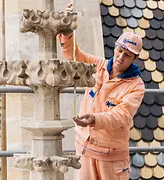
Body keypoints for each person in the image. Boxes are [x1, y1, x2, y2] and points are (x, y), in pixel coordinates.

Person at [59, 4, 145, 180]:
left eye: (127, 55)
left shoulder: (136, 86)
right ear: (115, 48)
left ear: (135, 59)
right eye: (120, 50)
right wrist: (67, 31)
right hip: (85, 149)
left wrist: (95, 119)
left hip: (111, 157)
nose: (121, 57)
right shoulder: (99, 65)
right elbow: (74, 56)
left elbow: (121, 115)